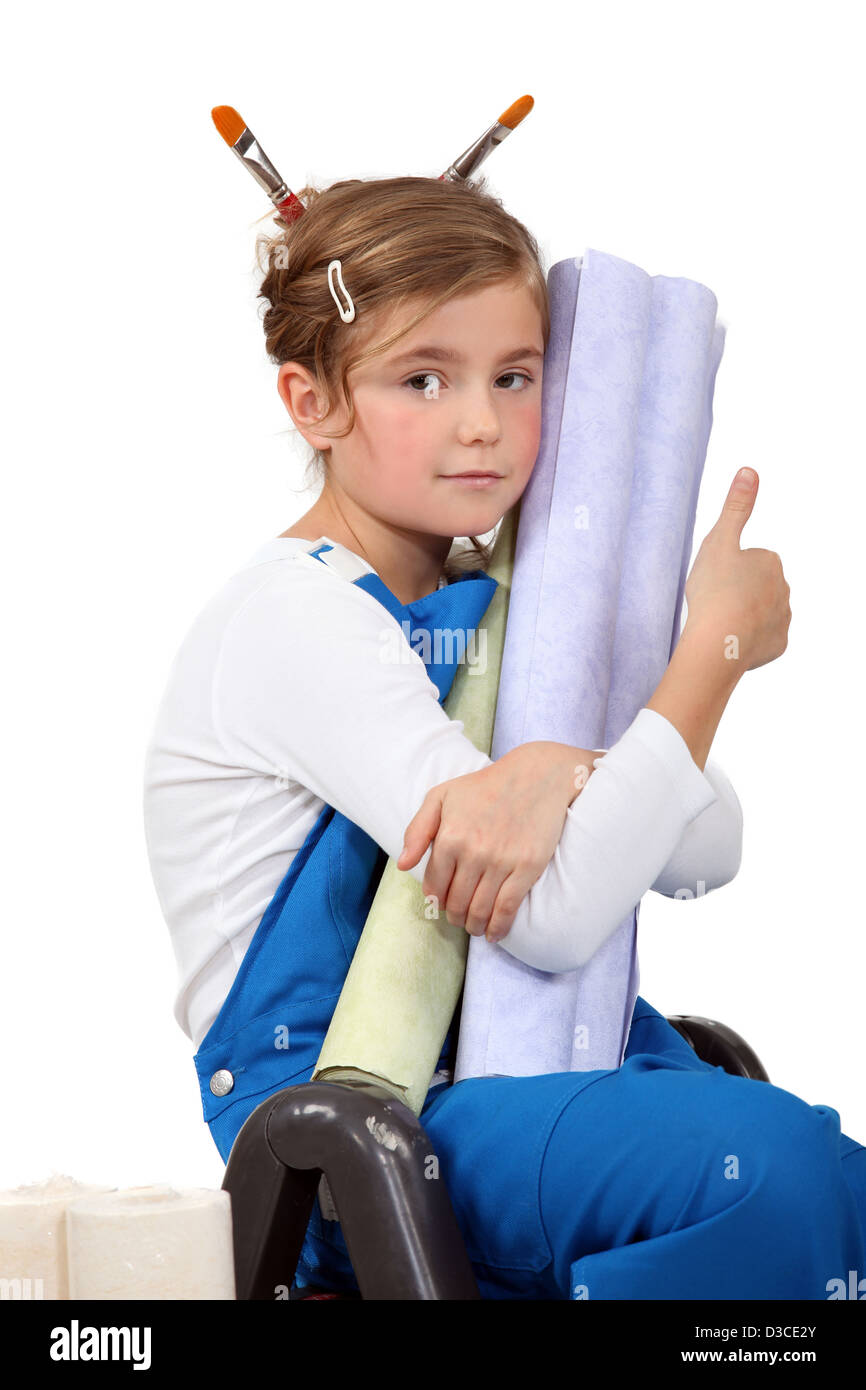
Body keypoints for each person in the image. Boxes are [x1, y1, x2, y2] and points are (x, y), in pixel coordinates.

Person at [142, 174, 865, 1300]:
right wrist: (708, 654)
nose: (480, 421)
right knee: (766, 1176)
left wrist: (559, 766)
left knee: (837, 1183)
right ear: (312, 401)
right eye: (421, 378)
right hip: (368, 1121)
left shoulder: (503, 608)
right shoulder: (298, 620)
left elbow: (705, 843)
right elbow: (550, 912)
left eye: (513, 376)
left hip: (516, 1077)